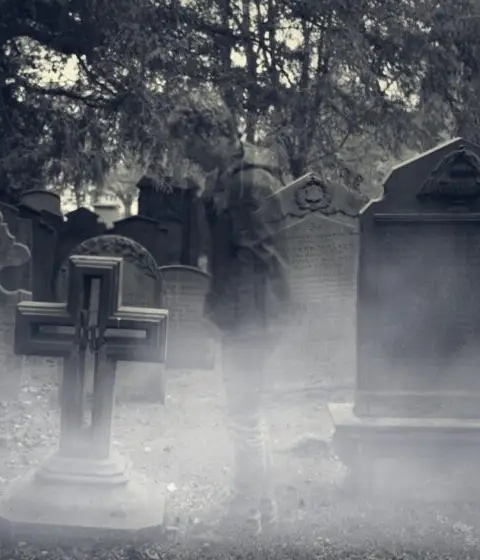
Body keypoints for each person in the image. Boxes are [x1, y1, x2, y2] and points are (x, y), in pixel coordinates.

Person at [166, 89, 292, 542]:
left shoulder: (249, 183)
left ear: (215, 132)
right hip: (242, 315)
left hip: (253, 319)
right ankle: (264, 511)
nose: (188, 153)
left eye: (191, 143)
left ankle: (245, 517)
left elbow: (257, 264)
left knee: (244, 415)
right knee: (249, 414)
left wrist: (235, 327)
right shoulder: (227, 178)